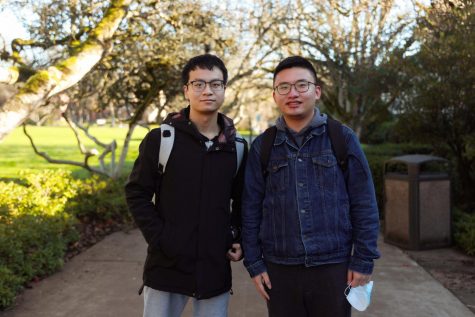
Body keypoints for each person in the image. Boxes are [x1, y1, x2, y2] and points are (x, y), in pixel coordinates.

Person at [241, 56, 380, 317]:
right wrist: (254, 263)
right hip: (279, 270)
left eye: (301, 85)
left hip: (333, 267)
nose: (293, 93)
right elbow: (251, 209)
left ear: (316, 91)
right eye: (284, 87)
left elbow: (364, 202)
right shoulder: (264, 146)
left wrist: (363, 259)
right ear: (274, 95)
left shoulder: (342, 138)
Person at [125, 54, 247, 317]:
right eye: (199, 84)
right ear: (186, 90)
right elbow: (136, 192)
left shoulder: (236, 148)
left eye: (216, 84)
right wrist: (160, 238)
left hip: (214, 269)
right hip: (166, 266)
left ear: (224, 89)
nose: (207, 91)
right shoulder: (161, 139)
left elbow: (243, 200)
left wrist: (236, 235)